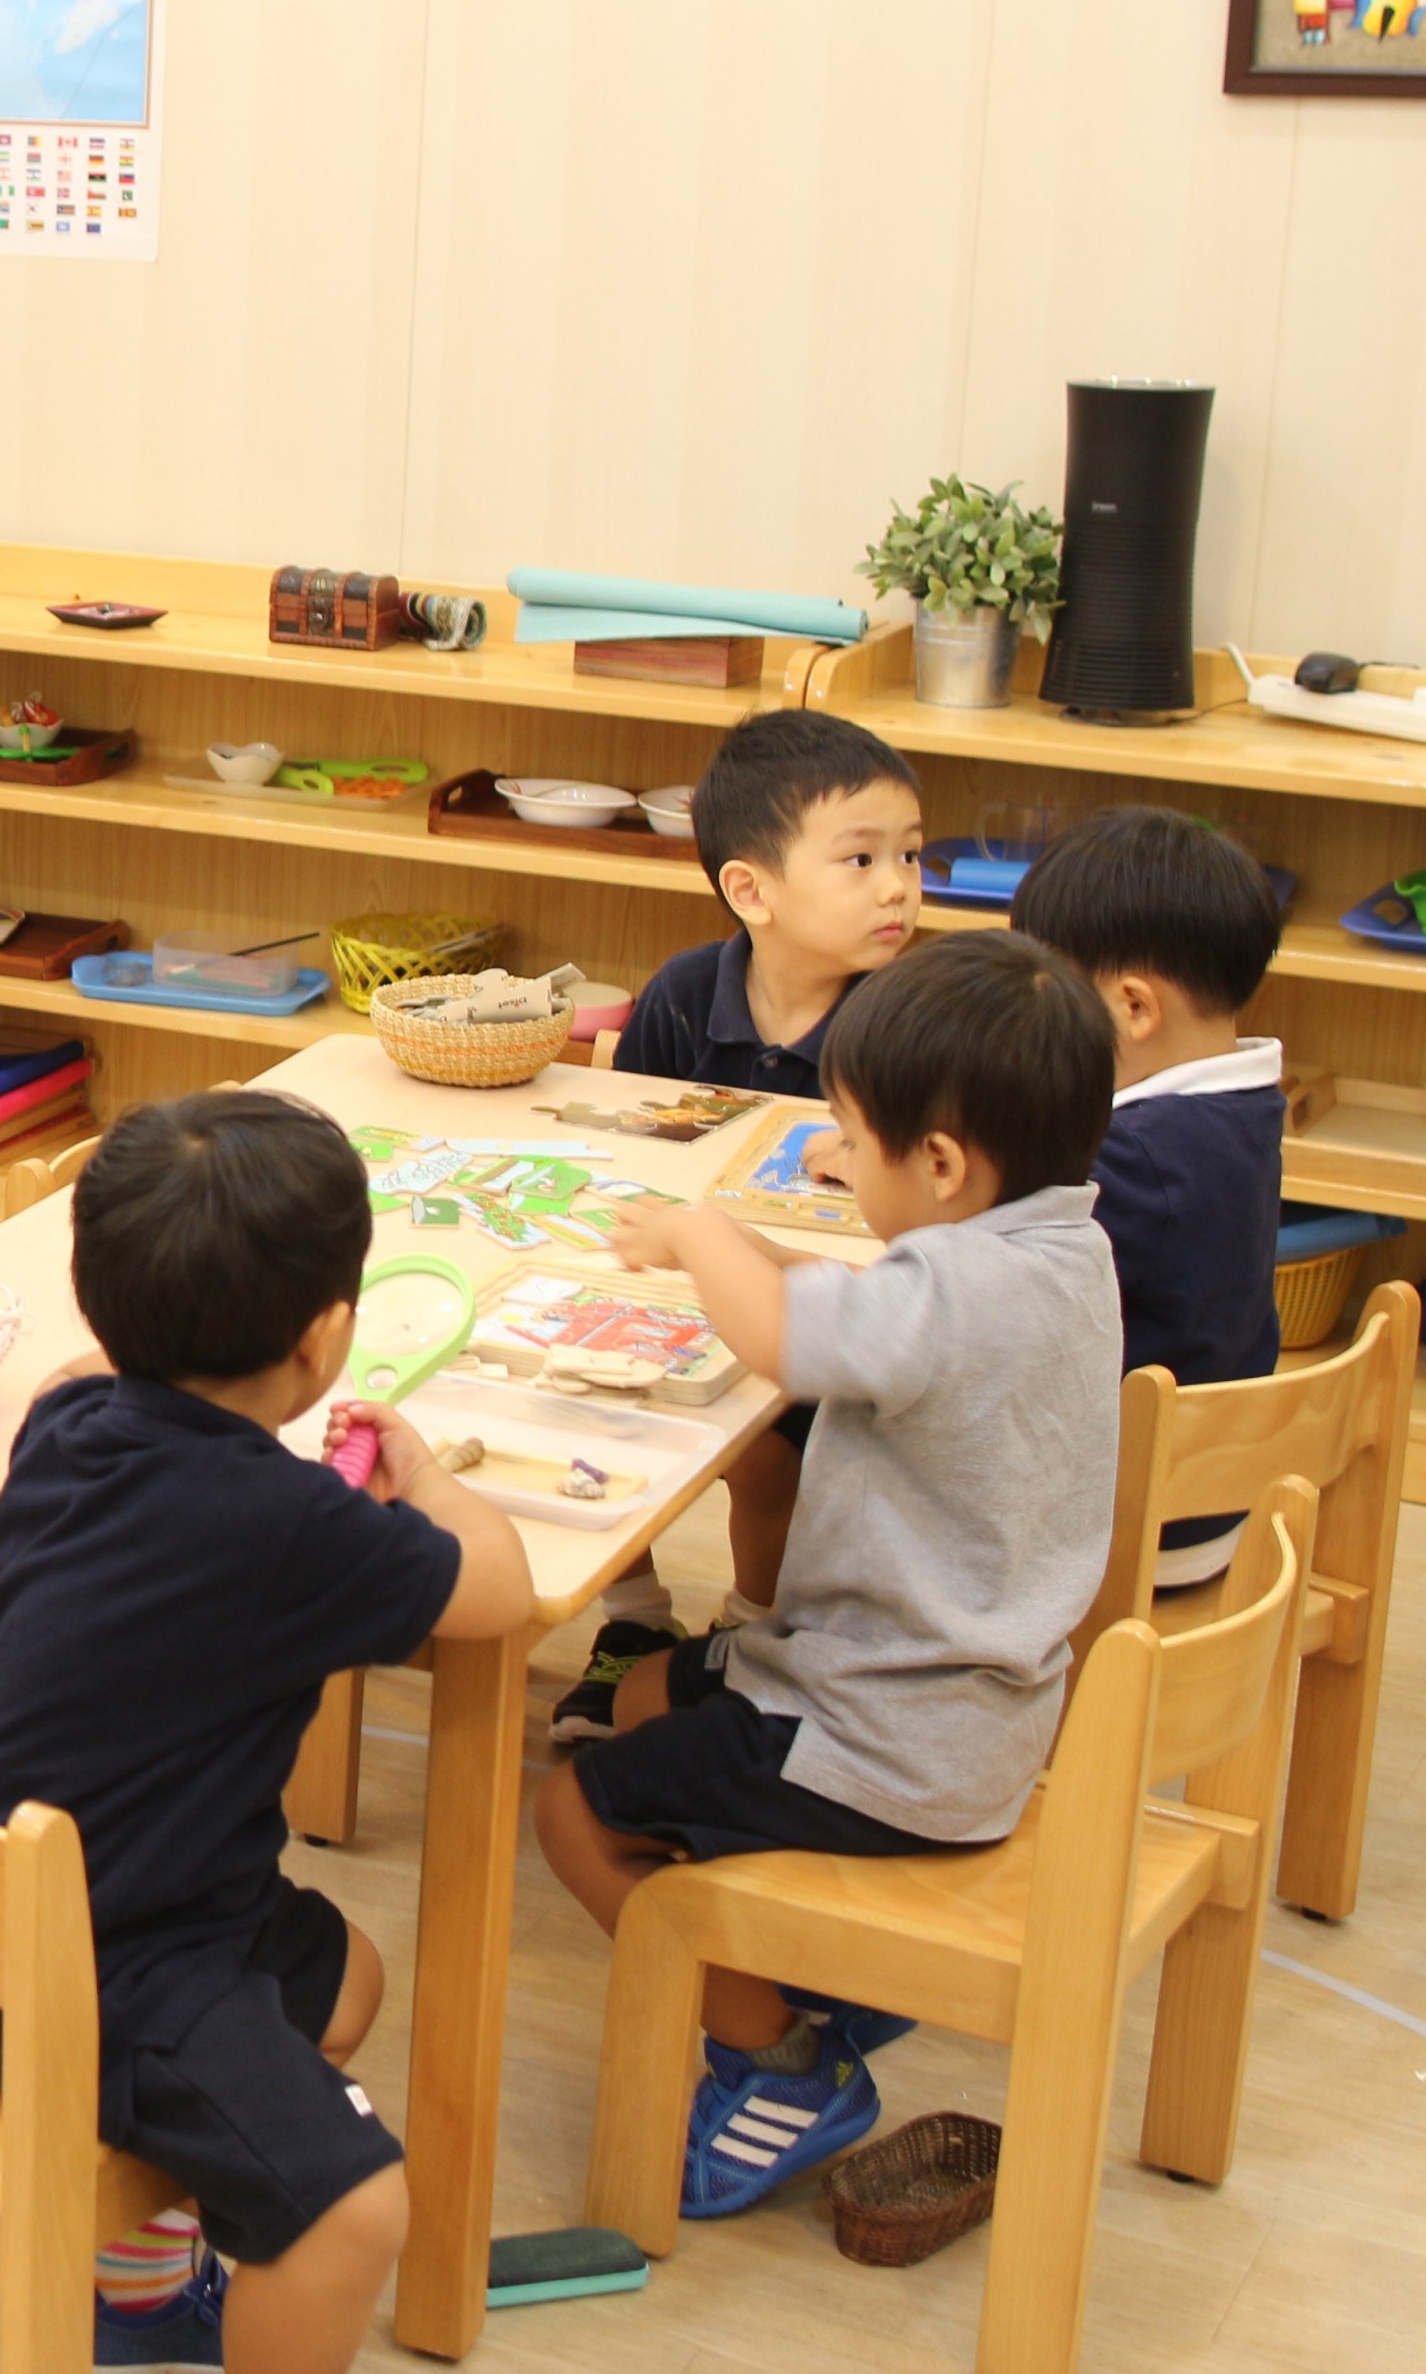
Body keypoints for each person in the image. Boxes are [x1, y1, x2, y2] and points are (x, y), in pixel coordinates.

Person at [0, 1091, 536, 2371]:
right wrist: (425, 1477)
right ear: (324, 1342)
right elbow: (500, 1592)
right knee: (354, 2208)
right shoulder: (290, 1527)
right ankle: (172, 2287)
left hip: (4, 1915)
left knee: (344, 1974)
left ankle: (139, 2285)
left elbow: (94, 1384)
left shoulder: (66, 1427)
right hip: (101, 1971)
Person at [544, 931, 1119, 2218]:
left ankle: (786, 2060)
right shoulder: (1056, 1248)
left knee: (573, 1812)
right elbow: (873, 1308)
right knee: (644, 1707)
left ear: (946, 1165)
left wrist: (701, 1234)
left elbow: (790, 1338)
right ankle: (813, 1974)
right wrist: (763, 1242)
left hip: (882, 1731)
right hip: (973, 1705)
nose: (835, 1159)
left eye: (851, 1141)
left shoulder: (957, 1284)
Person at [563, 707, 924, 1740]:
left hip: (817, 1302)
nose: (899, 885)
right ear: (750, 891)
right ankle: (630, 1619)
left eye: (910, 855)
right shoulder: (683, 994)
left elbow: (926, 1205)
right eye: (860, 859)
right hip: (675, 1276)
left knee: (765, 1454)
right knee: (583, 1391)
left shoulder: (908, 1019)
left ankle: (749, 1625)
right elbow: (635, 1149)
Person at [1012, 804, 1288, 1586]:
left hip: (1128, 1530)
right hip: (1206, 1501)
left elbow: (981, 1249)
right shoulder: (1242, 1108)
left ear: (1132, 1007)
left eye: (1050, 999)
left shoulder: (1133, 1156)